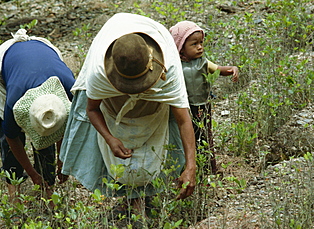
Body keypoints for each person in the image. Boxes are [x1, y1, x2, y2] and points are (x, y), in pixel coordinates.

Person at [59, 13, 197, 218]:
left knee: (160, 135)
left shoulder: (168, 68)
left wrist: (190, 167)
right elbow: (92, 109)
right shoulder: (98, 72)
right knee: (117, 144)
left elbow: (183, 119)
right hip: (108, 87)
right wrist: (110, 139)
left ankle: (146, 196)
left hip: (155, 78)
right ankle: (130, 199)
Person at [0, 29, 75, 207]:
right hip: (4, 62)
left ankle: (47, 186)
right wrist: (32, 174)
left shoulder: (70, 87)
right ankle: (14, 189)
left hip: (44, 51)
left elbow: (65, 125)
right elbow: (12, 138)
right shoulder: (12, 102)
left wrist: (62, 160)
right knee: (8, 137)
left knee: (48, 126)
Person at [170, 21, 239, 174]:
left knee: (205, 137)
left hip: (202, 106)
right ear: (180, 46)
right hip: (183, 108)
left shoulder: (203, 63)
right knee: (183, 137)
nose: (200, 47)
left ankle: (209, 169)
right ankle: (184, 168)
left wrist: (232, 69)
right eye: (194, 44)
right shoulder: (175, 66)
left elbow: (219, 70)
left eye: (201, 43)